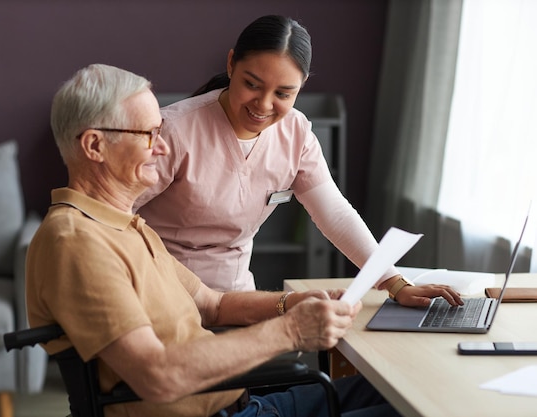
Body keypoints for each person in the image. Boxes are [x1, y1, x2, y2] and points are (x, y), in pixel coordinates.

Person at [26, 63, 401, 417]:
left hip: (235, 402)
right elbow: (156, 375)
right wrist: (292, 330)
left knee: (394, 391)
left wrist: (292, 304)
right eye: (150, 135)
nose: (162, 147)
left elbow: (213, 305)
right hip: (219, 410)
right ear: (94, 146)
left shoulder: (123, 227)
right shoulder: (77, 242)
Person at [133, 15, 463, 307]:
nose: (263, 104)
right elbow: (109, 215)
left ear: (301, 87)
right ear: (231, 63)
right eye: (252, 84)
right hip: (162, 294)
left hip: (236, 298)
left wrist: (394, 283)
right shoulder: (173, 130)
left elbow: (334, 213)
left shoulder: (296, 132)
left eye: (283, 93)